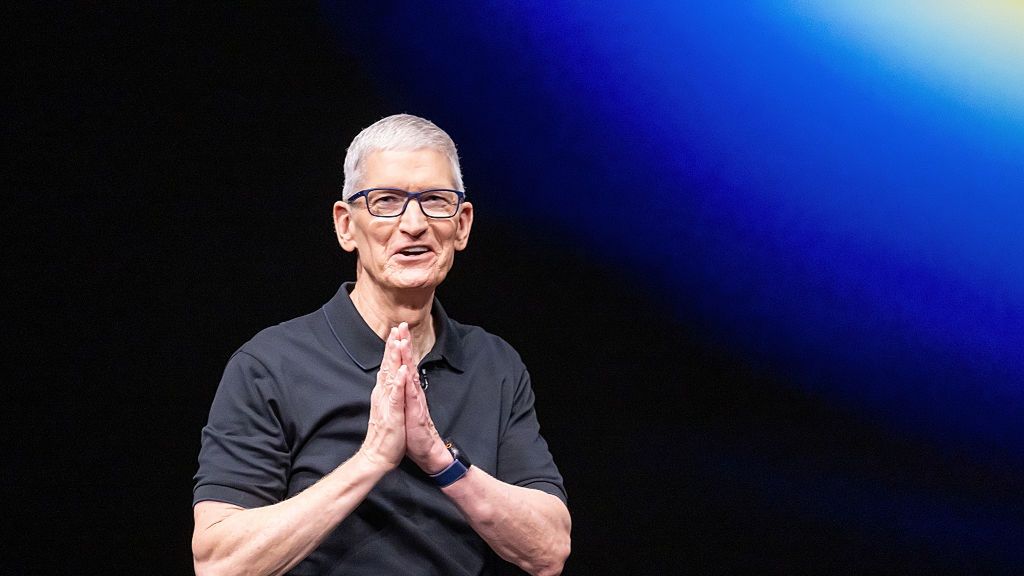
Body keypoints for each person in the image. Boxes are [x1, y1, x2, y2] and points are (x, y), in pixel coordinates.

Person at [191, 114, 571, 575]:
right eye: (386, 201)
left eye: (435, 201)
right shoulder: (270, 365)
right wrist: (370, 460)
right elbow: (219, 564)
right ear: (345, 226)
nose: (414, 224)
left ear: (462, 224)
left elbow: (549, 549)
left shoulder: (494, 364)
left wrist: (441, 461)